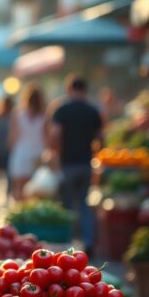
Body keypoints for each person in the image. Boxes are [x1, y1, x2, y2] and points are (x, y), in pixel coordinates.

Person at [50, 76, 103, 255]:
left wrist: (55, 154)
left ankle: (67, 245)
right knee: (84, 204)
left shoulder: (63, 110)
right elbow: (101, 138)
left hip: (67, 163)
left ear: (69, 89)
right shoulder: (92, 111)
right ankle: (88, 242)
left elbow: (56, 134)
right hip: (86, 163)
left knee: (67, 206)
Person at [8, 83, 47, 200]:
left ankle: (19, 212)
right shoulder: (44, 115)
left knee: (19, 187)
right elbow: (46, 137)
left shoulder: (18, 114)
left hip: (21, 152)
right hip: (38, 152)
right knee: (34, 188)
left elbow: (13, 137)